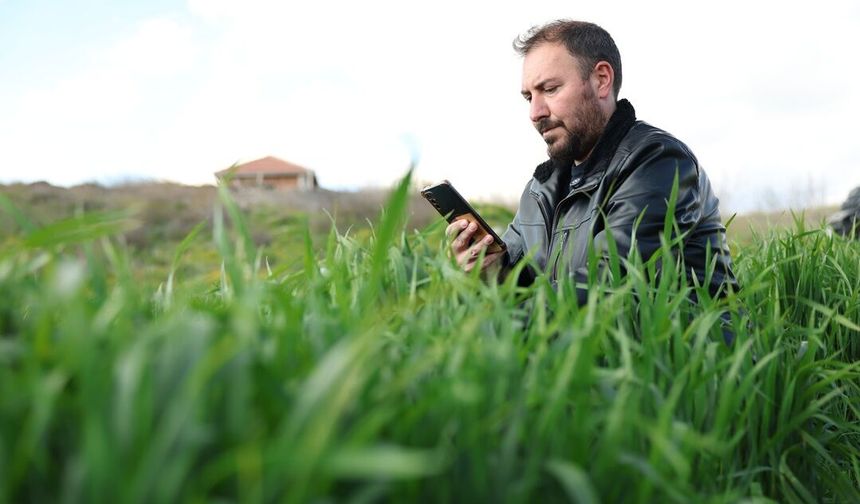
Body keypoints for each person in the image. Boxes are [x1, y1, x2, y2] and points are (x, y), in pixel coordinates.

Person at [447, 19, 737, 304]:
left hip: (679, 349)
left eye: (549, 89)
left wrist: (500, 327)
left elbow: (611, 288)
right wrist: (487, 273)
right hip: (581, 349)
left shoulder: (658, 162)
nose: (535, 112)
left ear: (601, 80)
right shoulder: (540, 190)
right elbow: (518, 285)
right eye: (528, 97)